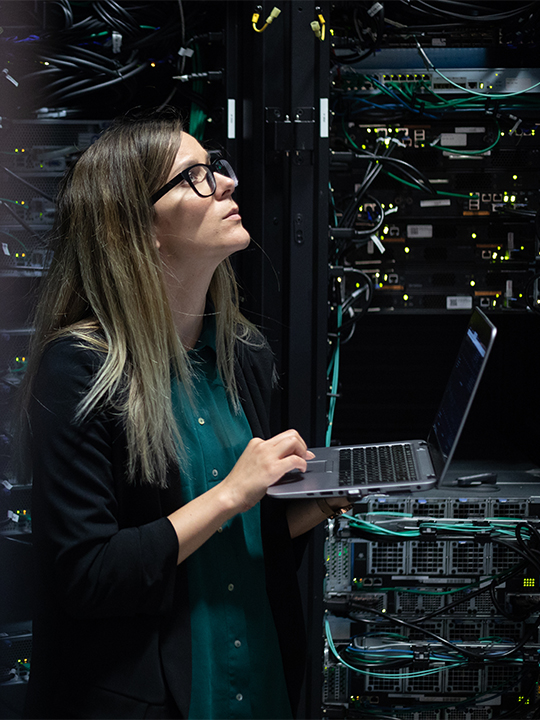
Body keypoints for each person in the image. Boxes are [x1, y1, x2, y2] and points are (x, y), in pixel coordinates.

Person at [19, 107, 351, 720]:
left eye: (216, 168)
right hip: (150, 699)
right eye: (194, 177)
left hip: (260, 683)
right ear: (136, 229)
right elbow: (88, 575)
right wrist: (231, 493)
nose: (225, 182)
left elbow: (229, 545)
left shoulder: (241, 352)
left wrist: (316, 506)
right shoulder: (79, 370)